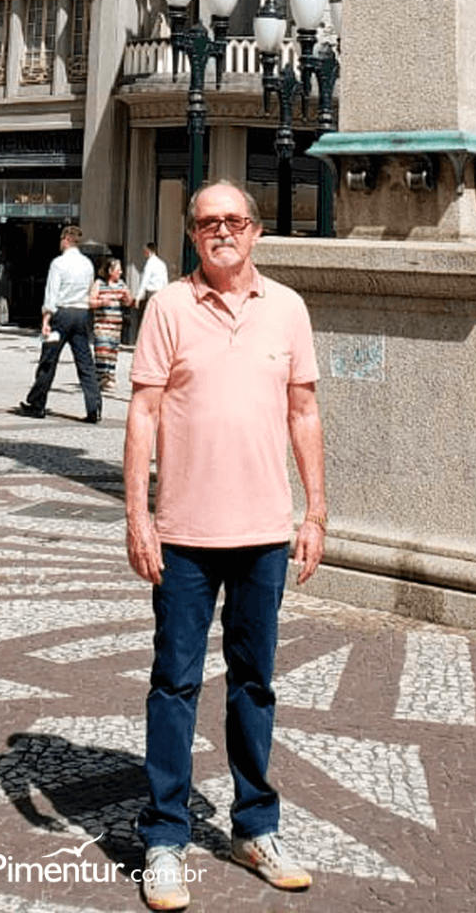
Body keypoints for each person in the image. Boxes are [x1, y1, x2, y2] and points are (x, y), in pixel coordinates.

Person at [124, 181, 326, 911]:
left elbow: (304, 412)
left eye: (234, 220)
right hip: (184, 533)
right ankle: (165, 837)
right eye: (208, 222)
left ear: (256, 230)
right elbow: (143, 413)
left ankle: (255, 828)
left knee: (255, 682)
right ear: (192, 234)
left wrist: (315, 513)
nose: (221, 232)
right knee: (174, 683)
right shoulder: (169, 307)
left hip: (265, 533)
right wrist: (138, 517)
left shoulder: (289, 309)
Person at [15, 225, 102, 423]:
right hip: (81, 314)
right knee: (85, 363)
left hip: (62, 315)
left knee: (48, 360)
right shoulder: (87, 264)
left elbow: (52, 293)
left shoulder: (58, 263)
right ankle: (94, 407)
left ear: (66, 239)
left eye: (61, 239)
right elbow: (90, 290)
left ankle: (37, 404)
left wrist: (46, 319)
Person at [89, 256, 134, 392]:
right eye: (118, 269)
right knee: (102, 351)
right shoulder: (99, 284)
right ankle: (102, 378)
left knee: (112, 353)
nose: (121, 272)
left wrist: (127, 296)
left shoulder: (121, 284)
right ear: (110, 270)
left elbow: (129, 302)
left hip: (115, 326)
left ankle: (109, 377)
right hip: (102, 324)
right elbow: (90, 302)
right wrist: (101, 302)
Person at [137, 241, 169, 315]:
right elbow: (165, 282)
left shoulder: (149, 263)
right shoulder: (162, 264)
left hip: (151, 294)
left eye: (145, 250)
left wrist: (139, 296)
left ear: (148, 251)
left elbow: (145, 281)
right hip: (161, 294)